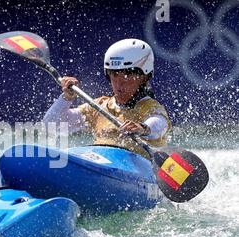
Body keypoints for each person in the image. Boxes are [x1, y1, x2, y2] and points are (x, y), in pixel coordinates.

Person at [43, 38, 172, 158]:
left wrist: (143, 128)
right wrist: (66, 98)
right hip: (101, 161)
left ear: (144, 77)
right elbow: (51, 125)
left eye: (127, 75)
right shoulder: (100, 106)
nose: (119, 84)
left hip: (138, 170)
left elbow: (160, 124)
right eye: (114, 74)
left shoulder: (150, 107)